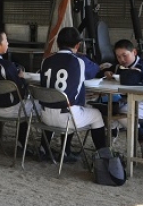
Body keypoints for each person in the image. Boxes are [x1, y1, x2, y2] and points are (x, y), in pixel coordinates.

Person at [39, 27, 107, 161]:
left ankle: (44, 148)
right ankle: (103, 156)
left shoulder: (45, 60)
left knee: (63, 103)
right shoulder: (79, 61)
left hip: (45, 116)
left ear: (58, 43)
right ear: (77, 45)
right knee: (95, 114)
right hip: (67, 117)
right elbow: (95, 69)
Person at [102, 39, 143, 158]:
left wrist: (118, 74)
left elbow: (131, 79)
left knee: (122, 113)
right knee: (110, 111)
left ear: (134, 52)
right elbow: (105, 71)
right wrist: (107, 72)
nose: (122, 59)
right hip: (126, 102)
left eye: (124, 55)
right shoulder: (119, 66)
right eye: (118, 56)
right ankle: (109, 143)